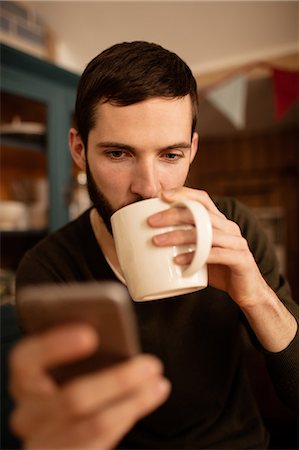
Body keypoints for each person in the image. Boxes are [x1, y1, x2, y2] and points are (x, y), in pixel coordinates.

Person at [3, 41, 299, 450]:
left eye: (170, 155)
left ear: (192, 150)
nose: (148, 187)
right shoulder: (49, 268)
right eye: (118, 153)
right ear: (78, 150)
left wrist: (257, 297)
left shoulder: (234, 227)